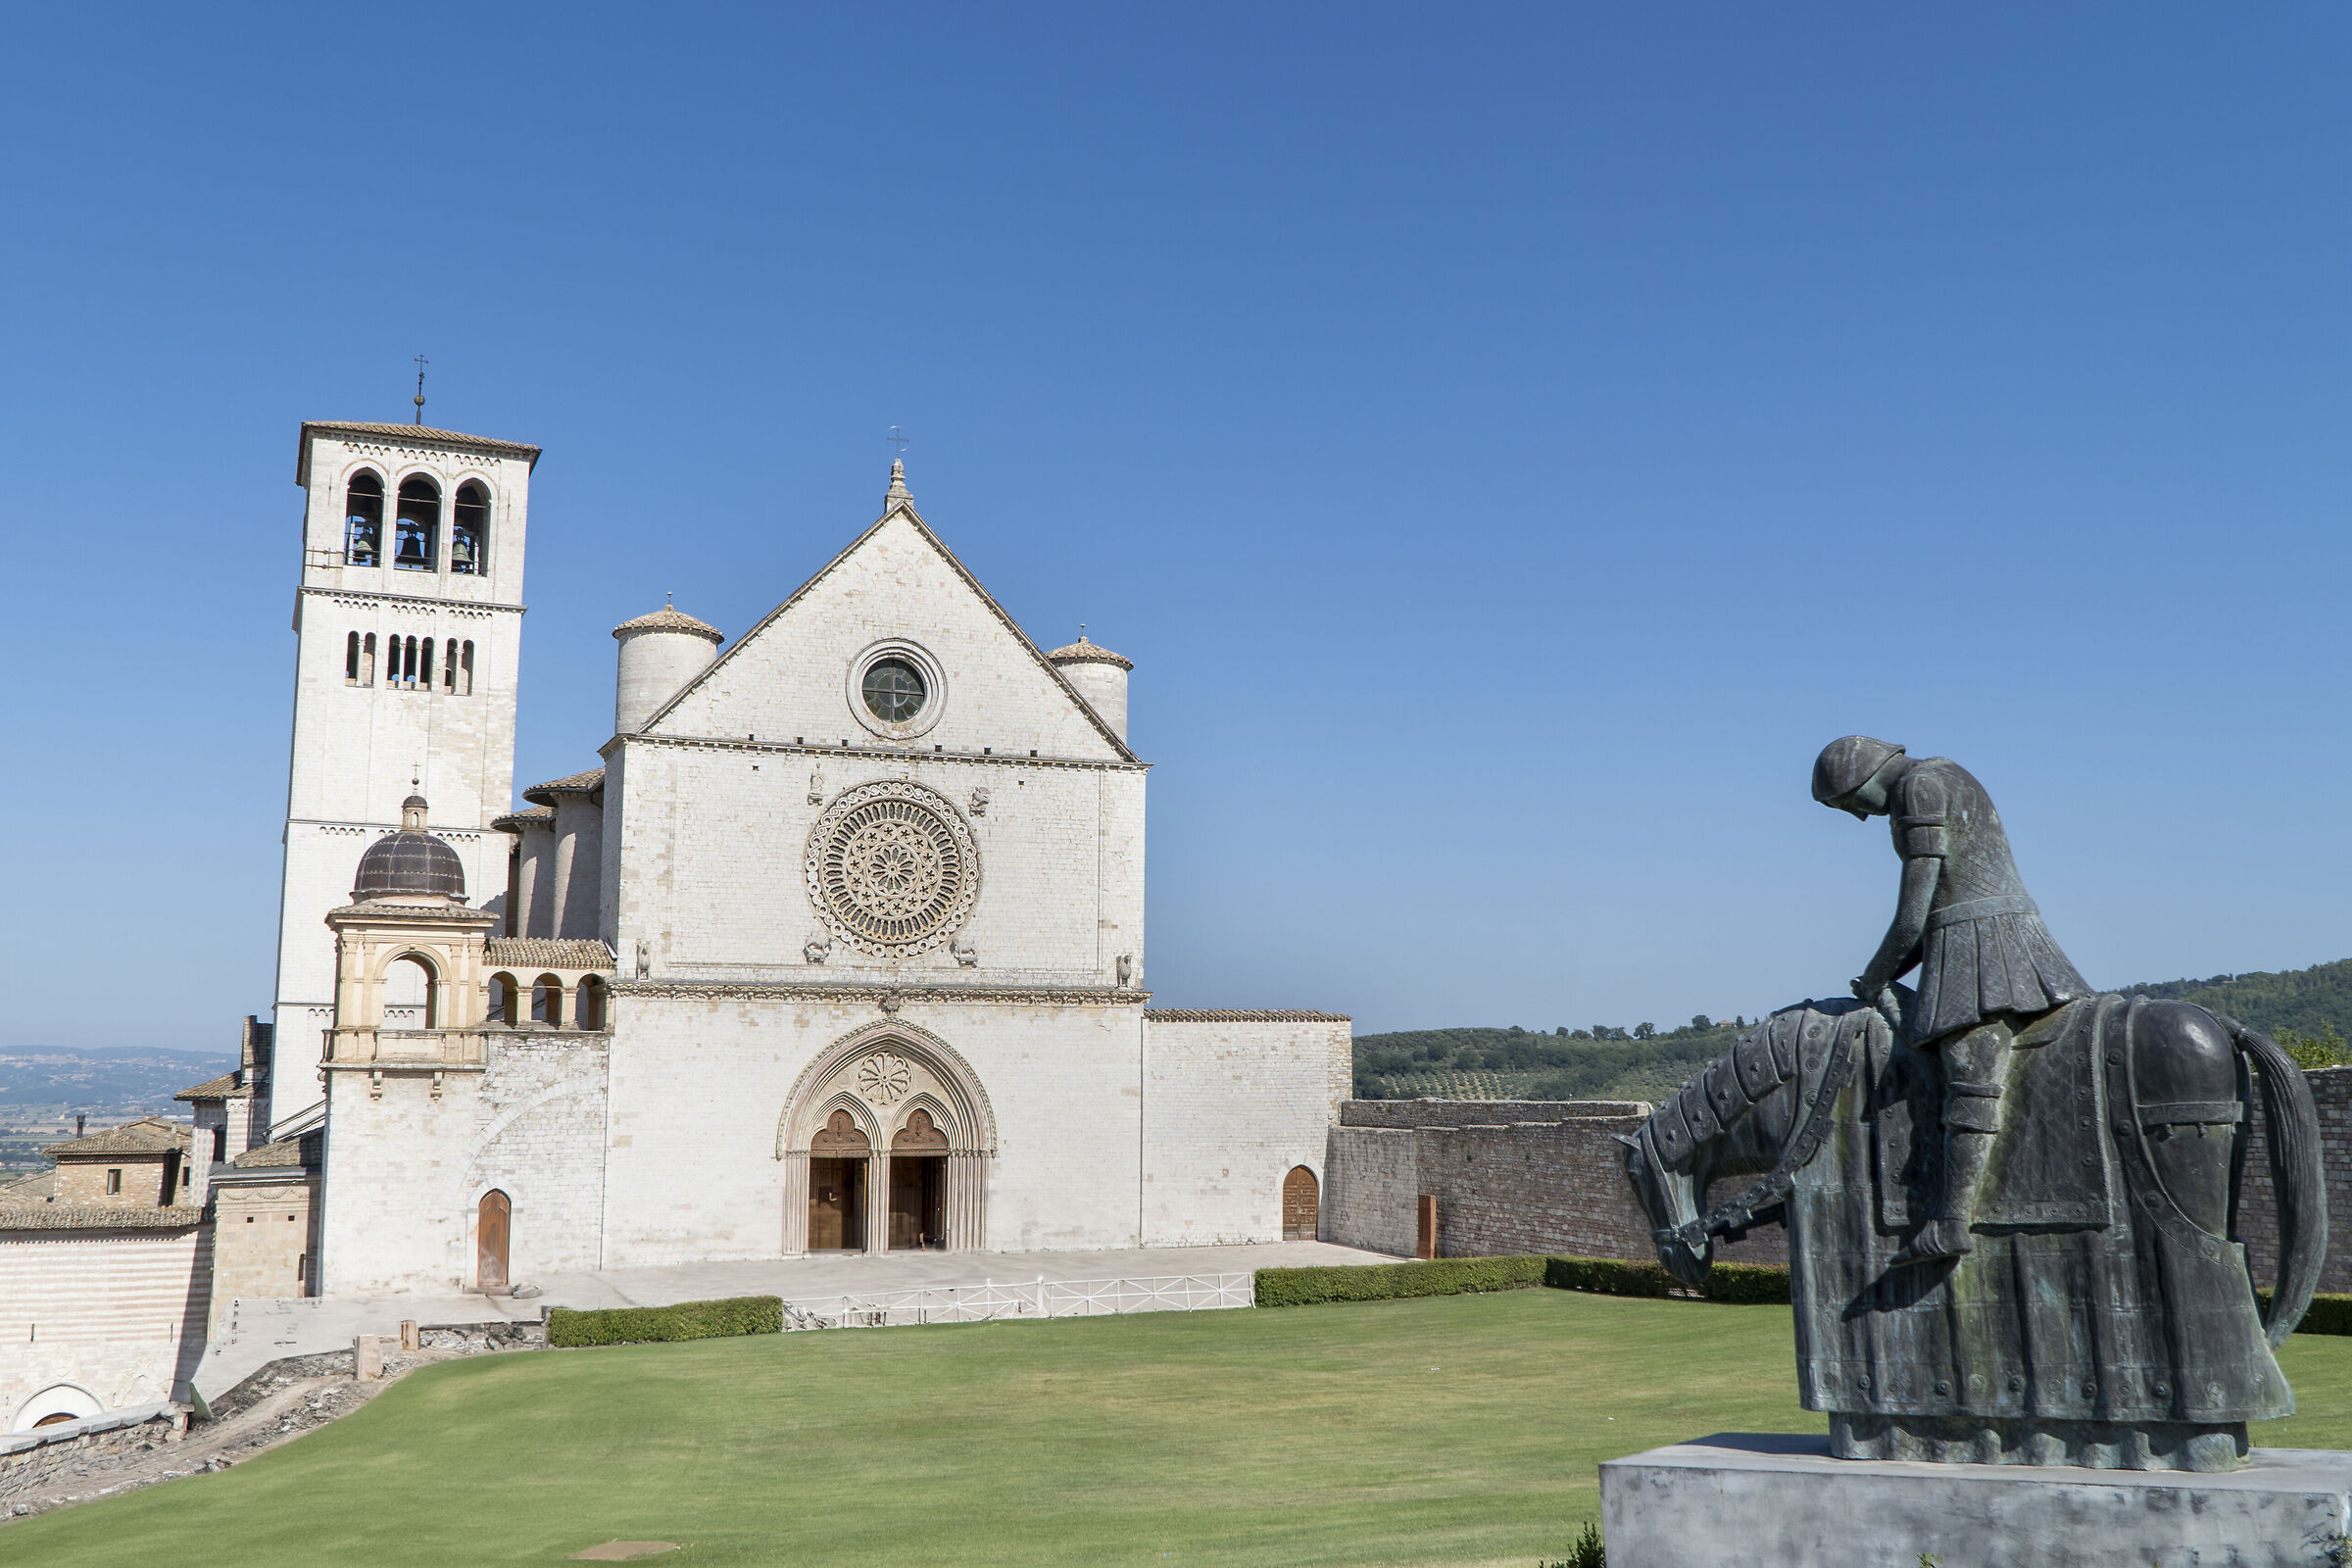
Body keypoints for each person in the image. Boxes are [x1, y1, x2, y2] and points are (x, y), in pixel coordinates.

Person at [1812, 736, 2090, 1265]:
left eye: (1848, 803)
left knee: (1970, 1073)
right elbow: (1930, 920)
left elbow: (1912, 915)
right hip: (1970, 934)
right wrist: (1882, 975)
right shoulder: (1943, 775)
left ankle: (1951, 1222)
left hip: (1984, 944)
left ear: (1865, 776)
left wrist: (1874, 978)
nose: (1858, 816)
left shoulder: (1918, 788)